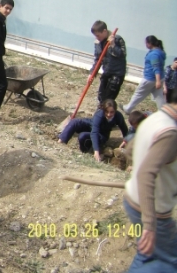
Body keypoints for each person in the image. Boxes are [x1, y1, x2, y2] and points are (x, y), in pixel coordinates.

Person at [123, 89, 177, 272]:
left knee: (147, 254)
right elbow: (146, 173)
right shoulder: (170, 133)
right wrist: (150, 224)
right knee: (170, 262)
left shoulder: (154, 119)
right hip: (154, 211)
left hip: (132, 200)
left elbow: (130, 150)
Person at [58, 99, 129, 162]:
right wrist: (97, 151)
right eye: (106, 112)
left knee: (83, 136)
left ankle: (85, 152)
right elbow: (94, 131)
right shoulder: (99, 115)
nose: (109, 114)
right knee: (75, 122)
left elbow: (124, 129)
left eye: (112, 112)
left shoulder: (118, 116)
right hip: (91, 126)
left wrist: (126, 140)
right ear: (103, 110)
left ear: (115, 111)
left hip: (102, 134)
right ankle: (60, 143)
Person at [121, 36, 166, 114]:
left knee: (138, 93)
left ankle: (127, 109)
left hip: (150, 78)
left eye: (146, 43)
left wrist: (157, 81)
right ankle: (164, 113)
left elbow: (156, 67)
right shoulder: (160, 52)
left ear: (150, 43)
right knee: (159, 97)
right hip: (159, 78)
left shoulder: (154, 54)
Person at [88, 21, 127, 103]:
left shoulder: (117, 39)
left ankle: (104, 114)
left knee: (108, 99)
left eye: (98, 35)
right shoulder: (98, 42)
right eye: (95, 36)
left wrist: (113, 45)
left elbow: (122, 55)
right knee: (101, 97)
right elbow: (98, 59)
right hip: (107, 72)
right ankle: (100, 113)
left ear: (104, 31)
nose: (96, 37)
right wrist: (92, 73)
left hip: (117, 74)